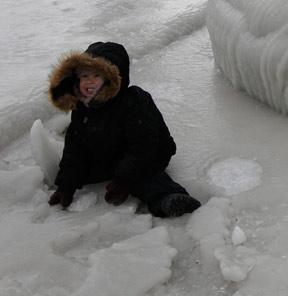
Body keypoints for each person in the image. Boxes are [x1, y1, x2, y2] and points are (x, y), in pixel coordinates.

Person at [47, 42, 201, 218]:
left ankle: (168, 199)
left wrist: (124, 180)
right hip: (111, 154)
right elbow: (75, 149)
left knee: (146, 178)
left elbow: (144, 146)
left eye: (97, 75)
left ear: (113, 78)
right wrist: (66, 185)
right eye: (84, 76)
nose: (89, 82)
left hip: (149, 153)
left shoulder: (134, 101)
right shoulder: (83, 108)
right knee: (81, 168)